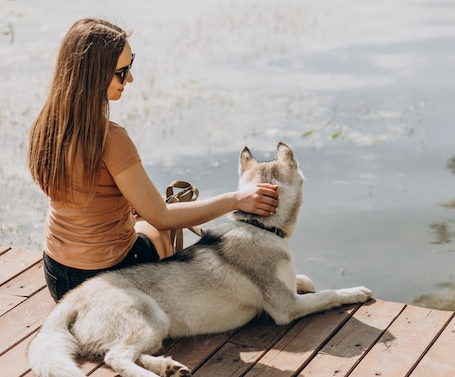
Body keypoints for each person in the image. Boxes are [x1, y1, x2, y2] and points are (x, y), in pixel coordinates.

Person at [28, 18, 278, 302]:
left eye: (130, 66)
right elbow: (161, 215)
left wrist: (127, 204)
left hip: (58, 276)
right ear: (94, 75)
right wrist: (236, 200)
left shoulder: (47, 125)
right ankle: (167, 302)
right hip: (102, 284)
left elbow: (86, 197)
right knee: (157, 229)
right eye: (121, 72)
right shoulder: (111, 138)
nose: (130, 79)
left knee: (142, 219)